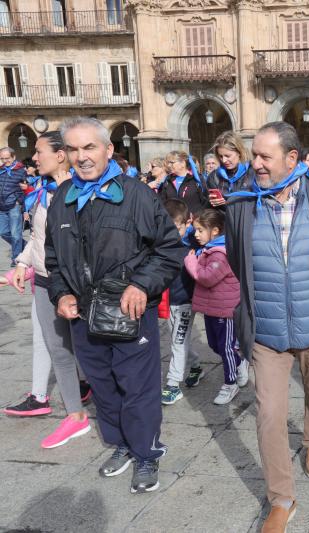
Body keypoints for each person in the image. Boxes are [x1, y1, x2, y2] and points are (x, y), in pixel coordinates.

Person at [44, 117, 184, 494]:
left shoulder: (137, 195)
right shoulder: (61, 199)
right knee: (104, 387)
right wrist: (62, 294)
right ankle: (121, 444)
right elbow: (54, 260)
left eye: (89, 147)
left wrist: (141, 284)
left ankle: (147, 453)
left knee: (136, 388)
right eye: (73, 149)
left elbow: (170, 250)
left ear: (108, 150)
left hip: (129, 312)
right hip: (83, 317)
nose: (81, 156)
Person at [225, 121, 309, 533]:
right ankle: (281, 497)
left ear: (292, 158)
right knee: (269, 414)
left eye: (265, 156)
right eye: (254, 155)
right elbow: (236, 258)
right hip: (266, 329)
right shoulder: (240, 203)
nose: (255, 164)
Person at [3, 132, 92, 449]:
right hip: (44, 282)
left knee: (92, 350)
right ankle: (75, 416)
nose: (34, 158)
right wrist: (22, 265)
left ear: (61, 155)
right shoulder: (44, 192)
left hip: (76, 285)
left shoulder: (80, 193)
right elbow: (38, 241)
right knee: (60, 352)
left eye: (39, 152)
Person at [184, 208, 248, 404]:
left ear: (215, 231)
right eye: (196, 230)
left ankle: (230, 384)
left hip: (225, 310)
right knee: (215, 345)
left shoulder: (220, 253)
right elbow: (186, 237)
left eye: (200, 230)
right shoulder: (209, 248)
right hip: (212, 308)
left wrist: (191, 261)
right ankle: (239, 362)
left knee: (226, 347)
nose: (196, 234)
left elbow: (206, 277)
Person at [160, 199, 205, 405]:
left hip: (186, 300)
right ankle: (196, 364)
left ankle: (173, 384)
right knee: (179, 340)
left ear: (187, 223)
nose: (171, 232)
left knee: (178, 342)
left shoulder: (194, 241)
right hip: (168, 301)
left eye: (176, 227)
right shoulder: (162, 241)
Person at [206, 131, 254, 208]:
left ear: (239, 152)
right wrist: (212, 202)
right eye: (221, 156)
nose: (224, 160)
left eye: (227, 156)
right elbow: (210, 208)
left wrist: (228, 203)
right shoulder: (214, 177)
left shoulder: (252, 172)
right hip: (223, 218)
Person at [158, 150, 208, 216]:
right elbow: (162, 201)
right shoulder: (168, 180)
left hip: (194, 221)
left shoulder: (196, 179)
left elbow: (205, 201)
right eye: (168, 163)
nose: (169, 165)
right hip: (174, 222)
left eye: (171, 162)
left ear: (182, 163)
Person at [0, 146, 27, 267]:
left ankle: (16, 258)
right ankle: (24, 245)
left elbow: (26, 189)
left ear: (13, 157)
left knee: (16, 234)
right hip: (1, 207)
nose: (5, 161)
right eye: (2, 158)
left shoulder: (21, 170)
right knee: (3, 232)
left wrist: (21, 204)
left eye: (7, 158)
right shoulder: (0, 170)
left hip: (14, 206)